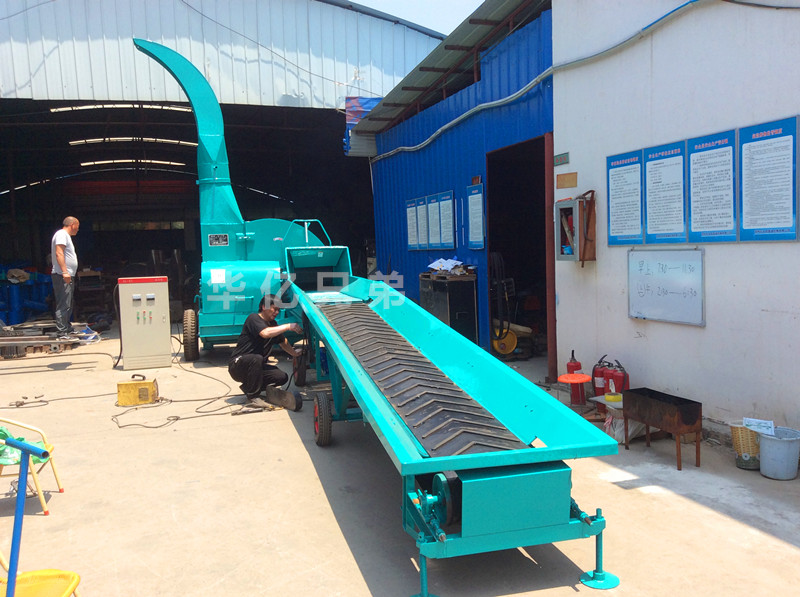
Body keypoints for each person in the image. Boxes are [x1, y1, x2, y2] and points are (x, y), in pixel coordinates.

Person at [228, 294, 303, 411]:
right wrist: (287, 326)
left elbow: (283, 342)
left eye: (278, 310)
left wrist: (294, 353)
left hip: (256, 367)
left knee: (281, 377)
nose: (277, 312)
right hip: (238, 366)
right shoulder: (253, 318)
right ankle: (253, 397)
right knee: (256, 358)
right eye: (274, 309)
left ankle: (249, 387)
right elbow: (265, 333)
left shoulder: (273, 325)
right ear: (264, 307)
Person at [50, 216, 80, 339]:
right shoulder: (61, 234)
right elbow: (59, 253)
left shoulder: (65, 236)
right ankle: (62, 332)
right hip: (62, 275)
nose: (78, 229)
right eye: (77, 226)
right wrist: (65, 272)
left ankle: (67, 328)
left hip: (67, 274)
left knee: (68, 303)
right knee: (64, 303)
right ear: (72, 225)